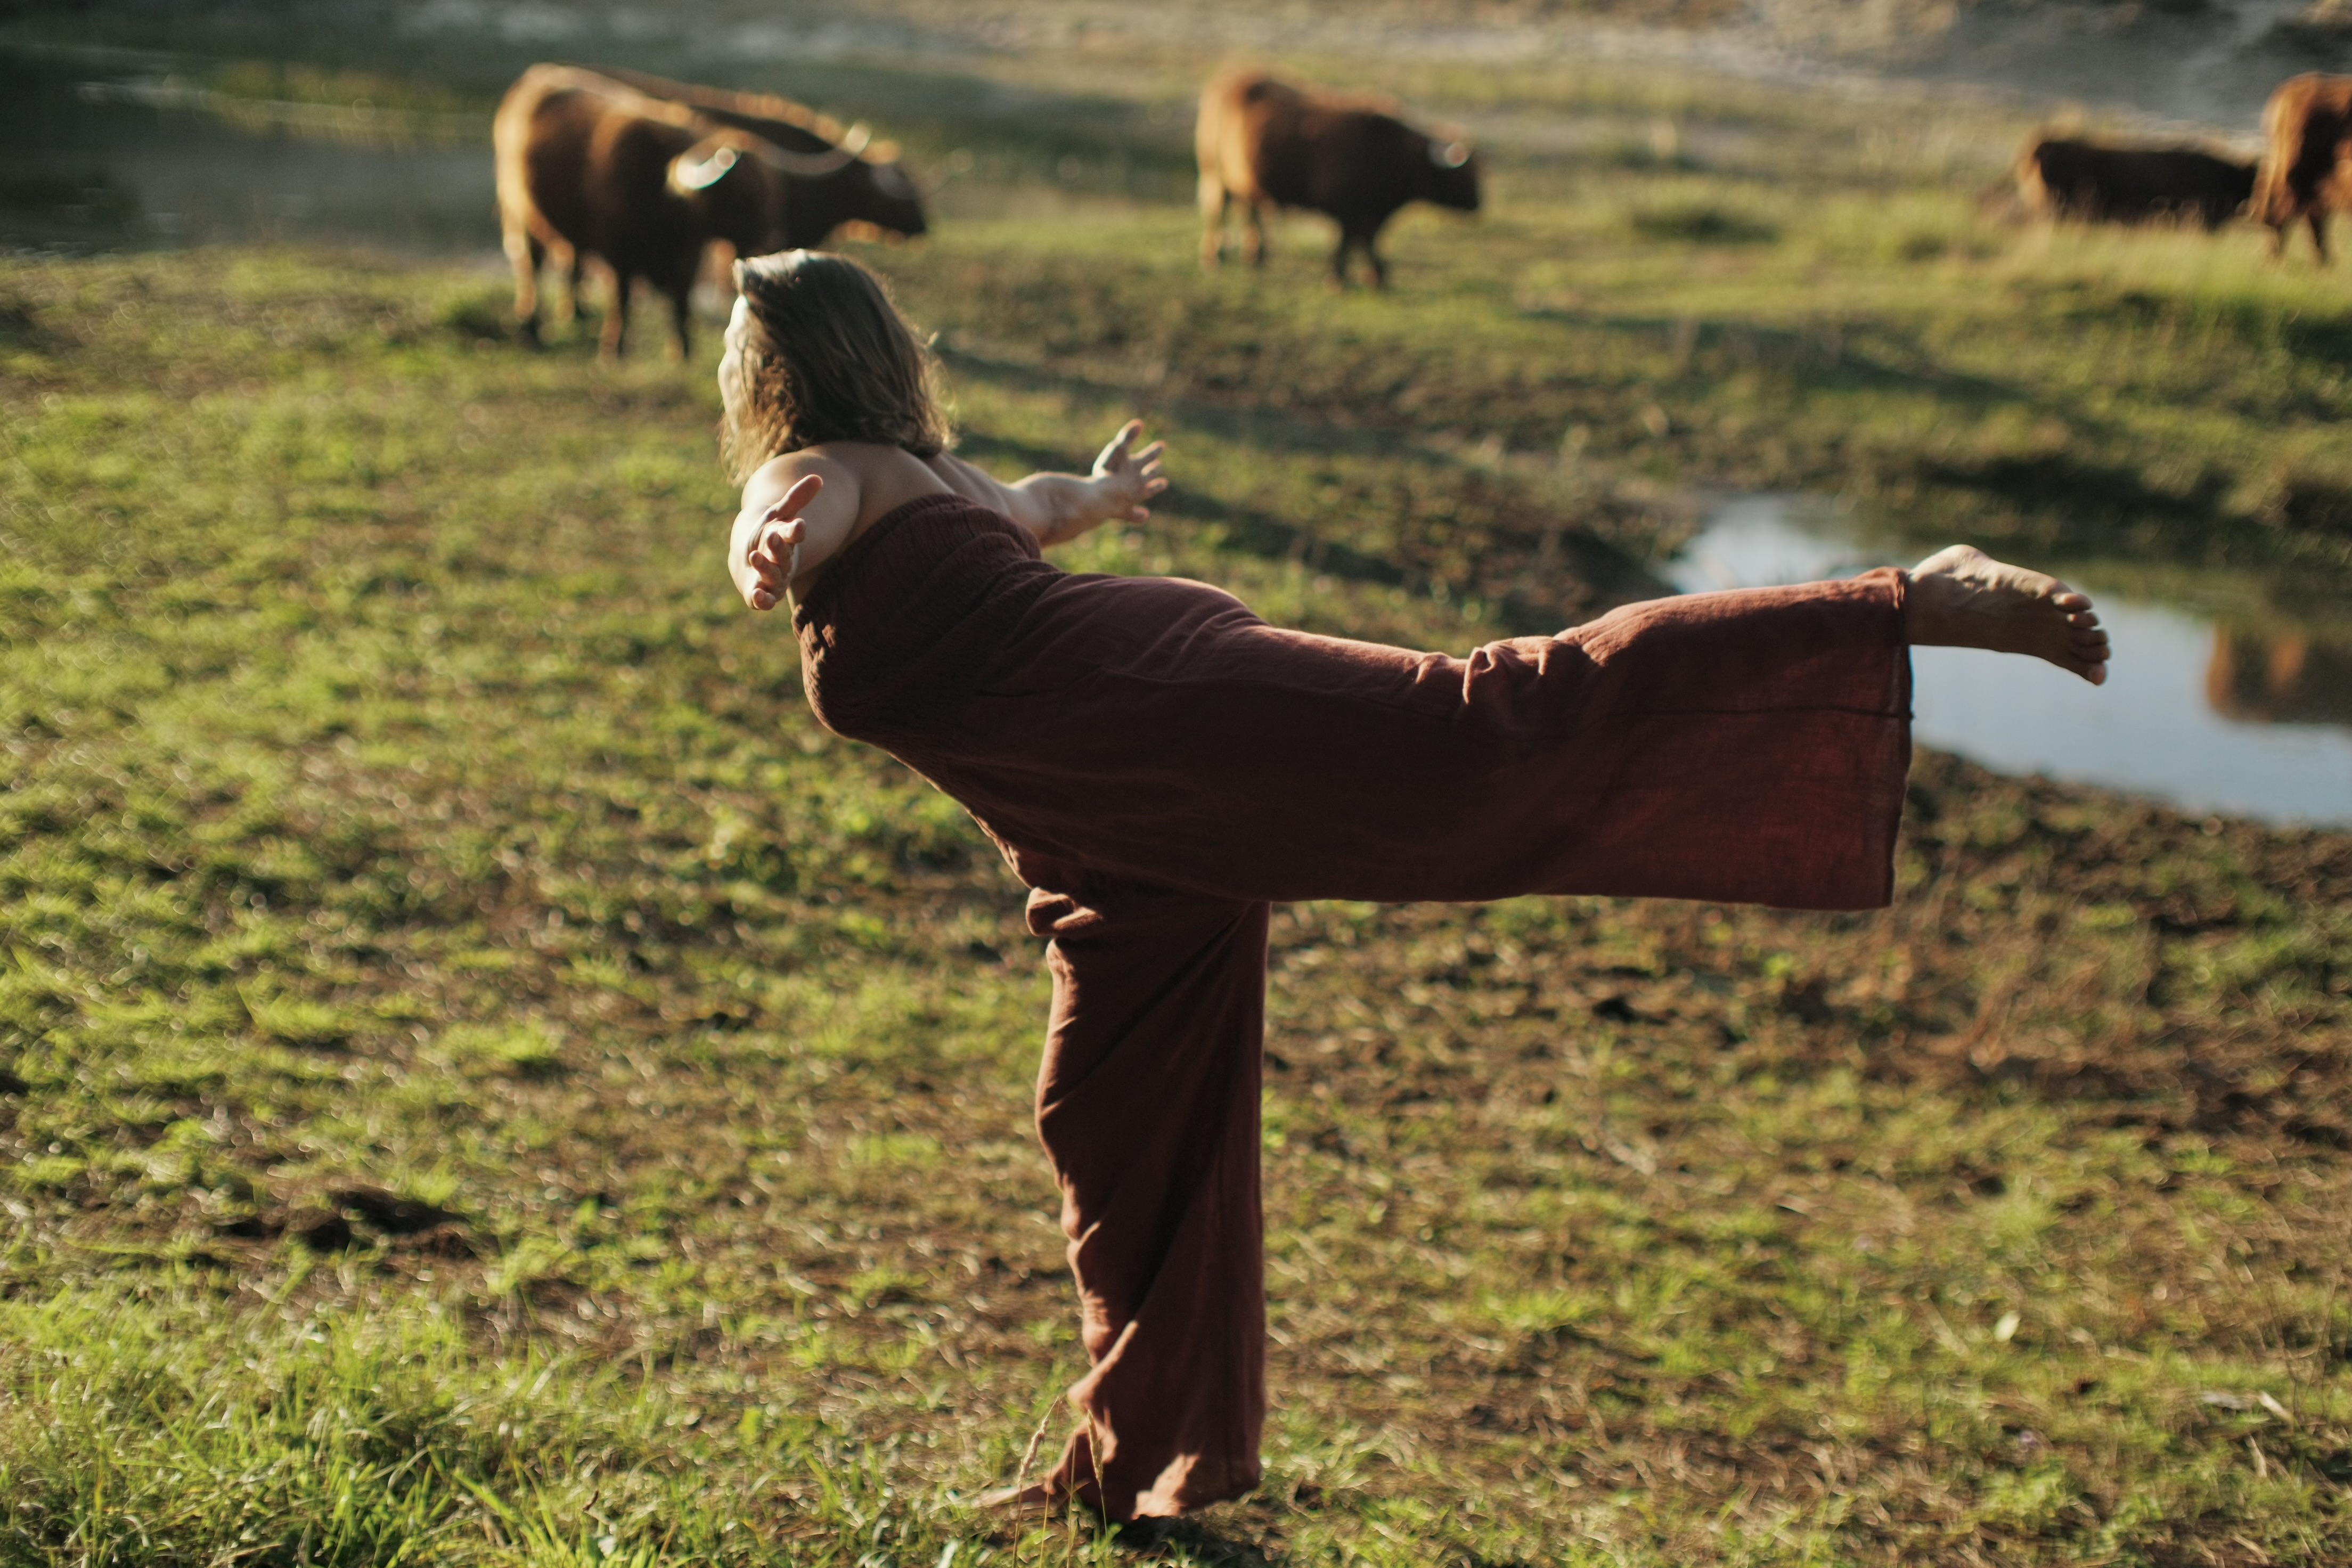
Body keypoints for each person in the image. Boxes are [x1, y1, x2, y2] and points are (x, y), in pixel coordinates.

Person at [715, 250, 2110, 1527]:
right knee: (1115, 1125)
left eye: (738, 350)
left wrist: (763, 550)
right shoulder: (944, 483)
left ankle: (1898, 602)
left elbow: (792, 506)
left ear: (780, 374)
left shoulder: (822, 480)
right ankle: (1129, 1467)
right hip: (1113, 841)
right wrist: (1108, 493)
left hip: (1169, 713)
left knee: (1490, 721)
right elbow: (1049, 507)